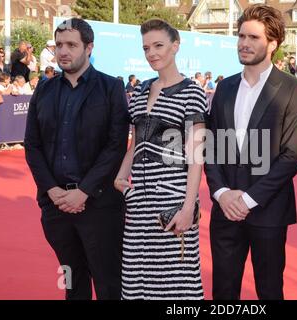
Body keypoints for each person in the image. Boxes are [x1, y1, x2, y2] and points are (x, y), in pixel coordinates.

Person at [204, 4, 297, 300]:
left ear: (273, 44)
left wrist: (248, 200)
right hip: (225, 211)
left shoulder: (291, 89)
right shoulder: (225, 88)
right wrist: (222, 193)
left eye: (253, 37)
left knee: (269, 290)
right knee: (223, 291)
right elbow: (212, 146)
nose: (244, 43)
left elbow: (292, 155)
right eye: (241, 36)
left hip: (269, 211)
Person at [24, 18, 130, 300]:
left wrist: (83, 192)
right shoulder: (43, 90)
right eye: (59, 45)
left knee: (110, 284)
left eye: (71, 45)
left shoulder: (110, 88)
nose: (63, 51)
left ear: (89, 47)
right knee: (71, 281)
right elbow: (32, 146)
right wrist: (52, 190)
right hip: (56, 209)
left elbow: (115, 146)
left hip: (99, 207)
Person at [114, 19, 207, 300]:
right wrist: (120, 178)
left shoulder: (192, 92)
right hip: (138, 203)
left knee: (176, 283)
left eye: (158, 45)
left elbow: (196, 156)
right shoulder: (141, 90)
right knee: (136, 278)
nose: (151, 53)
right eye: (146, 48)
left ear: (175, 46)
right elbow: (136, 142)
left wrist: (188, 207)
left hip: (173, 201)